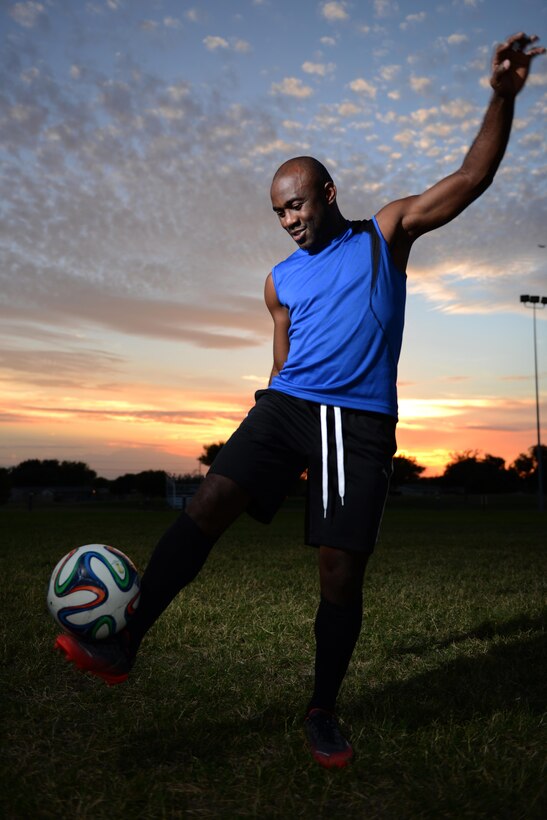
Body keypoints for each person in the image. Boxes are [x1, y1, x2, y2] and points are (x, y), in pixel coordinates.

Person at [55, 33, 544, 769]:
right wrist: (275, 419)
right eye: (277, 211)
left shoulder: (383, 233)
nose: (288, 219)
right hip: (285, 405)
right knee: (207, 503)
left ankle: (321, 709)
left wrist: (500, 97)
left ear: (327, 193)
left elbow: (468, 180)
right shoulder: (277, 280)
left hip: (357, 421)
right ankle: (124, 642)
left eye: (297, 204)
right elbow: (282, 357)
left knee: (339, 570)